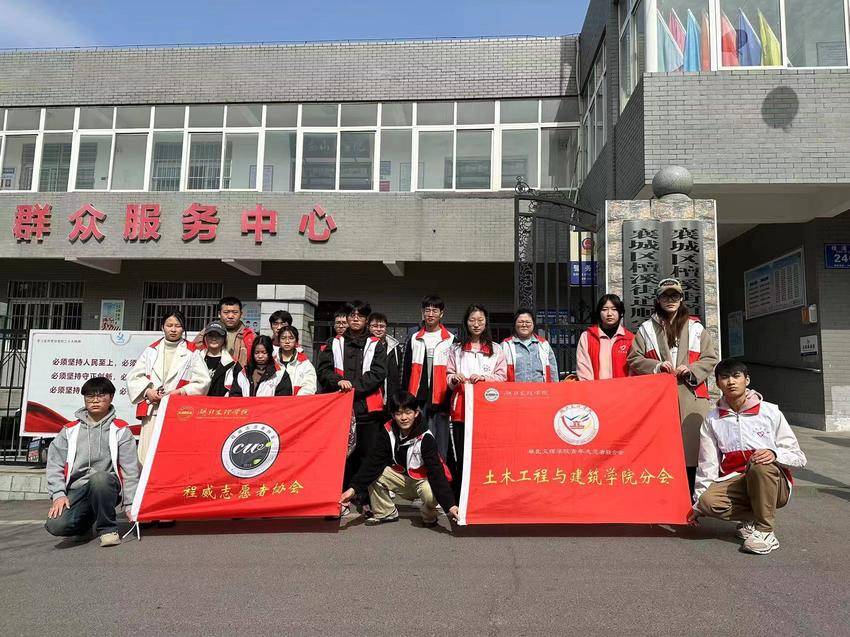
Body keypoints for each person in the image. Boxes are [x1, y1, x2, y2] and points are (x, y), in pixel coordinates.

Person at [688, 360, 806, 555]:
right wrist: (698, 503)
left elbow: (798, 456)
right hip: (735, 482)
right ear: (718, 384)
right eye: (725, 378)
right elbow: (707, 463)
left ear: (747, 380)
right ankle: (750, 520)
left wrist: (775, 454)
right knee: (708, 502)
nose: (731, 382)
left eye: (736, 376)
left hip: (772, 483)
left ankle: (765, 531)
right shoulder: (712, 419)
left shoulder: (770, 412)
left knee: (759, 464)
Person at [628, 278, 718, 490]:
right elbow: (634, 358)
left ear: (681, 299)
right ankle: (664, 496)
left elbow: (710, 358)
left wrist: (691, 369)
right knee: (661, 448)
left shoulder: (696, 328)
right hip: (658, 398)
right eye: (665, 296)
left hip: (691, 395)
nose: (670, 300)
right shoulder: (646, 329)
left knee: (692, 448)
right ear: (658, 299)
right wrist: (657, 366)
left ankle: (692, 496)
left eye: (675, 296)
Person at [44, 377, 140, 547]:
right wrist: (58, 495)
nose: (95, 400)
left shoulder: (120, 430)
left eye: (101, 395)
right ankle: (84, 526)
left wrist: (130, 503)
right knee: (56, 525)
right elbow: (54, 465)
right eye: (90, 396)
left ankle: (108, 529)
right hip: (77, 490)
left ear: (111, 397)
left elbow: (130, 470)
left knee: (100, 478)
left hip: (106, 488)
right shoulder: (69, 431)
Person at [340, 391, 459, 527]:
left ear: (416, 413)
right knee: (374, 472)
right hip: (401, 479)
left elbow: (436, 473)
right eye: (398, 413)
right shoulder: (387, 431)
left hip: (422, 481)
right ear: (393, 415)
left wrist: (450, 505)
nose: (404, 418)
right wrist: (353, 489)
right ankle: (385, 512)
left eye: (408, 413)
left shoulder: (426, 438)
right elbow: (372, 463)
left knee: (430, 494)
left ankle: (429, 515)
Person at [317, 300, 387, 512]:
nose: (356, 319)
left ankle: (365, 499)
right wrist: (338, 381)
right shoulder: (333, 343)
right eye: (352, 315)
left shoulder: (376, 344)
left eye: (360, 316)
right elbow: (323, 370)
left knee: (367, 454)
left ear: (366, 320)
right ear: (346, 318)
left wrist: (353, 387)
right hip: (340, 408)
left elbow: (378, 374)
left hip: (367, 409)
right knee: (341, 455)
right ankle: (340, 497)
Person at [127, 310, 210, 463]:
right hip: (153, 410)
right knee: (148, 455)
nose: (173, 329)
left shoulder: (192, 351)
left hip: (179, 411)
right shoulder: (151, 350)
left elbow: (203, 381)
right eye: (169, 325)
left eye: (177, 326)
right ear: (162, 327)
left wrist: (179, 392)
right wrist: (148, 391)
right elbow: (133, 377)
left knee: (174, 454)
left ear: (183, 328)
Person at [446, 304, 507, 502]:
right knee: (462, 453)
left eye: (480, 320)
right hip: (461, 410)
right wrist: (454, 378)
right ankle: (461, 497)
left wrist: (484, 379)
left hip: (487, 410)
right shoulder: (456, 349)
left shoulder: (496, 349)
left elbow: (502, 378)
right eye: (472, 320)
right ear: (466, 323)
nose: (476, 324)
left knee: (485, 453)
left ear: (486, 323)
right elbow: (448, 376)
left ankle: (485, 494)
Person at [401, 295, 455, 459]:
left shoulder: (450, 339)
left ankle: (440, 472)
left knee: (441, 442)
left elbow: (453, 371)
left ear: (441, 313)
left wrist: (449, 398)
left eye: (435, 310)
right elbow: (406, 370)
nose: (431, 314)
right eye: (427, 310)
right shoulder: (414, 338)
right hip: (418, 398)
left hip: (441, 398)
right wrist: (406, 399)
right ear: (422, 312)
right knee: (417, 440)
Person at [576, 294, 634, 381]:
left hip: (623, 388)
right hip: (595, 388)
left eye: (614, 309)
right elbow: (583, 366)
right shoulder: (587, 337)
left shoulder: (630, 339)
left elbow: (633, 369)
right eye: (604, 309)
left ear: (620, 312)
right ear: (599, 313)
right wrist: (590, 387)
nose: (609, 314)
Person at [193, 296, 256, 367]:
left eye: (235, 312)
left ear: (241, 314)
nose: (230, 316)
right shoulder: (206, 333)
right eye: (226, 312)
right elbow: (193, 354)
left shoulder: (250, 336)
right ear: (219, 314)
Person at [501, 308, 559, 382]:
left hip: (540, 388)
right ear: (515, 324)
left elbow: (553, 371)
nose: (524, 325)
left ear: (533, 324)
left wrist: (555, 387)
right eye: (520, 322)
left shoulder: (544, 344)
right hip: (514, 389)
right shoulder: (506, 345)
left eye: (528, 322)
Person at [229, 335, 296, 397]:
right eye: (257, 353)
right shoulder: (243, 373)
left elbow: (284, 400)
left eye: (264, 352)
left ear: (270, 352)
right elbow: (234, 397)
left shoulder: (280, 374)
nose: (260, 356)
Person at [200, 320, 241, 397]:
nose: (214, 339)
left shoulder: (233, 364)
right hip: (197, 403)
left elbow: (237, 391)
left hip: (222, 404)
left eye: (218, 335)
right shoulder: (195, 359)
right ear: (205, 338)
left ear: (224, 339)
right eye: (210, 335)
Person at [368, 311, 401, 405]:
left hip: (391, 397)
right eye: (375, 326)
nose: (378, 329)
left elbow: (400, 371)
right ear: (369, 327)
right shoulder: (364, 346)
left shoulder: (394, 347)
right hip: (370, 396)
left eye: (382, 326)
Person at [275, 325, 317, 396]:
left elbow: (309, 386)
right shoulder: (272, 361)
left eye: (291, 338)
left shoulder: (305, 363)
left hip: (297, 401)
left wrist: (296, 400)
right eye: (283, 338)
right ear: (279, 341)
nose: (287, 341)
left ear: (296, 341)